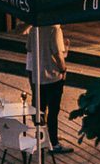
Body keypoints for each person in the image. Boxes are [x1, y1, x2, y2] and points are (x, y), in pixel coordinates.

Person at [26, 23, 71, 154]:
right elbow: (57, 54)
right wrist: (63, 69)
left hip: (37, 74)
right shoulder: (55, 29)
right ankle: (54, 142)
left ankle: (42, 137)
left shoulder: (34, 28)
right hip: (52, 75)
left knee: (39, 108)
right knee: (53, 110)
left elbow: (29, 48)